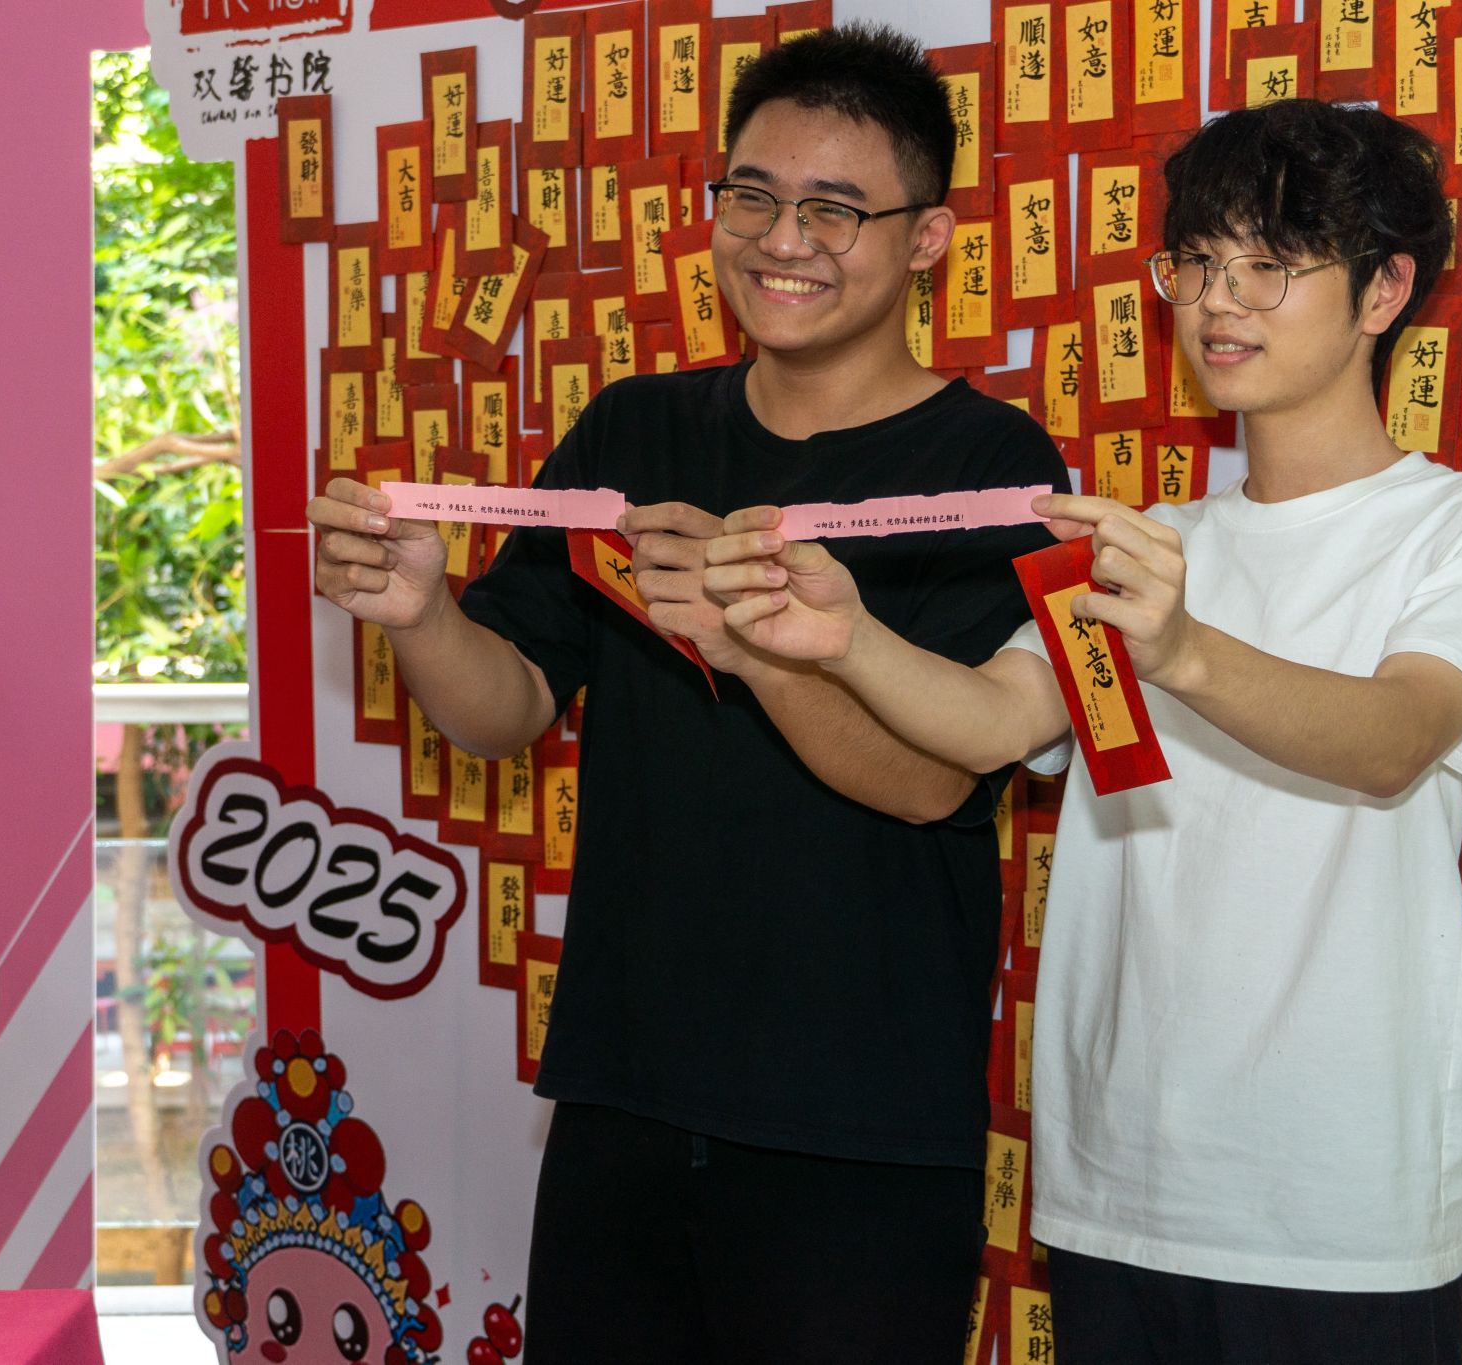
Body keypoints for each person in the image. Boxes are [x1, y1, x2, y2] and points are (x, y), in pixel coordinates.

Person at [704, 99, 1462, 1364]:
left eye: (1268, 265)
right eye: (1196, 263)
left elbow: (1392, 738)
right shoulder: (1155, 541)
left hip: (1339, 1204)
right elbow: (991, 720)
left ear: (1382, 292)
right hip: (1115, 1186)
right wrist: (844, 639)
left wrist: (1181, 651)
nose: (1218, 303)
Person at [304, 24, 1067, 1365]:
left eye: (836, 209)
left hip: (863, 1122)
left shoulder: (991, 468)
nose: (784, 241)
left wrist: (751, 648)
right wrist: (421, 614)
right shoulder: (635, 427)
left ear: (928, 240)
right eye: (752, 196)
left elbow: (931, 783)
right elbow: (507, 704)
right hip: (625, 1091)